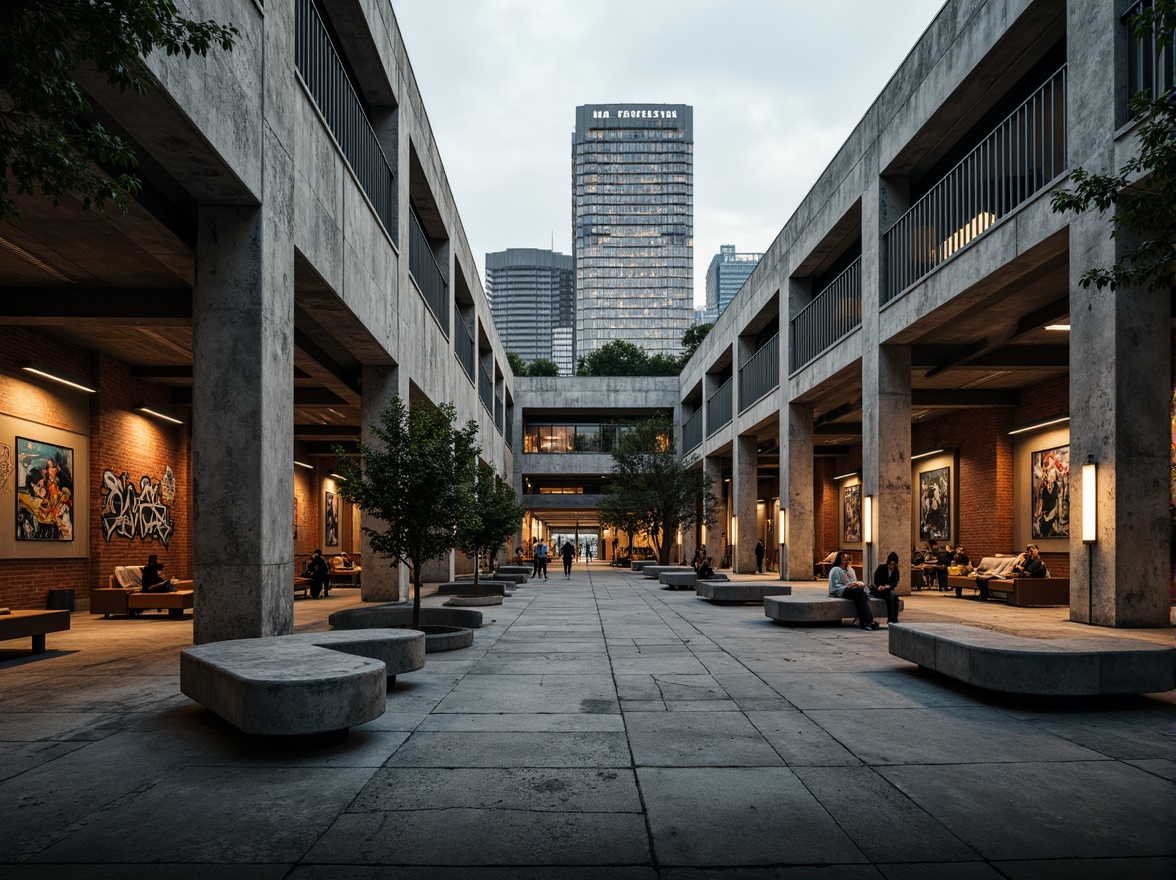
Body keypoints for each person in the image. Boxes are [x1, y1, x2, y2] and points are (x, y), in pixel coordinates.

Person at [828, 550, 878, 630]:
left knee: (867, 590)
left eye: (848, 559)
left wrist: (857, 584)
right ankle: (865, 621)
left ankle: (868, 620)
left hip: (853, 589)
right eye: (844, 559)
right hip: (841, 590)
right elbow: (835, 586)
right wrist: (849, 586)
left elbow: (853, 581)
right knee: (859, 592)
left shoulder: (850, 570)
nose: (847, 562)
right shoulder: (835, 570)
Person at [871, 551, 901, 624]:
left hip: (888, 589)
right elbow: (876, 579)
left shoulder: (895, 571)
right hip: (880, 590)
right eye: (890, 564)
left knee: (893, 597)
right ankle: (891, 618)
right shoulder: (881, 568)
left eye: (894, 564)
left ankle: (893, 618)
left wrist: (888, 586)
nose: (892, 566)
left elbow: (895, 582)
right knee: (891, 596)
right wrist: (880, 586)